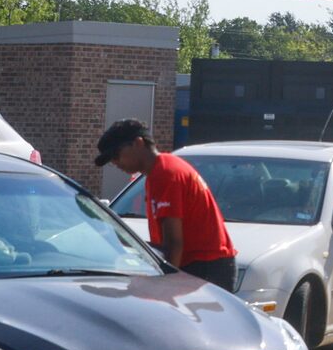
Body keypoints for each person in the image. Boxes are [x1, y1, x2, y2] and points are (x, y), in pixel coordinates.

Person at [96, 119, 239, 293]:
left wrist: (163, 287)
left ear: (138, 143)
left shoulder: (164, 174)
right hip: (206, 265)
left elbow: (173, 243)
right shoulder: (159, 171)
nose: (116, 163)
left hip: (205, 267)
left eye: (116, 155)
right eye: (111, 160)